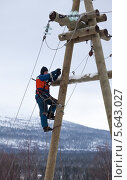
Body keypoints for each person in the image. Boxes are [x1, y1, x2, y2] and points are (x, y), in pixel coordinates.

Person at [35, 66, 61, 132]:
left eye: (47, 71)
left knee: (55, 102)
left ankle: (50, 114)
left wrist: (57, 74)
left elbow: (52, 79)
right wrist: (55, 71)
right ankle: (45, 127)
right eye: (45, 72)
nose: (46, 73)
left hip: (46, 96)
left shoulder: (46, 79)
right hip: (40, 97)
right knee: (44, 111)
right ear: (42, 72)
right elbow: (48, 76)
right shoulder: (40, 77)